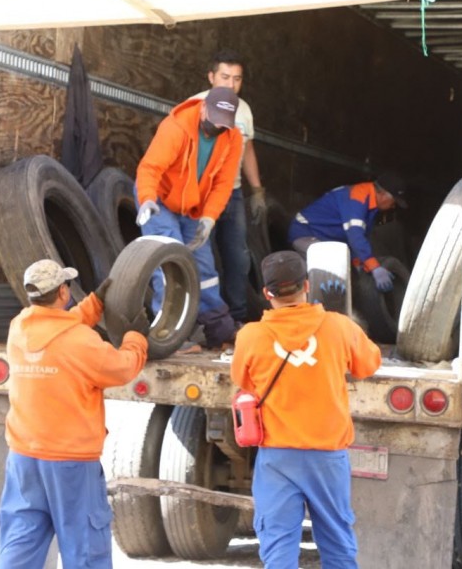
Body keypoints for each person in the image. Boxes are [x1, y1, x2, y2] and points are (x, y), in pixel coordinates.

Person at [231, 251, 382, 568]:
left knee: (278, 547)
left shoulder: (251, 336)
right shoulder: (339, 327)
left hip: (277, 459)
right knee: (338, 545)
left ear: (267, 293)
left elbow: (242, 380)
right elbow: (369, 364)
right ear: (307, 286)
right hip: (327, 457)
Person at [0, 259, 149, 569]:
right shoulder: (81, 343)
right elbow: (122, 368)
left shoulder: (19, 328)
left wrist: (93, 306)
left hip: (24, 458)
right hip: (70, 465)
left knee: (21, 544)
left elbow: (58, 329)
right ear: (63, 292)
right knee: (85, 550)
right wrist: (137, 338)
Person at [135, 85, 243, 349]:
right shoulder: (177, 127)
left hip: (193, 207)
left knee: (204, 266)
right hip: (158, 200)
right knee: (169, 258)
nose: (217, 127)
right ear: (204, 107)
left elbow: (223, 184)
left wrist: (209, 218)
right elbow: (151, 167)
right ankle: (166, 334)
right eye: (214, 120)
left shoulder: (233, 137)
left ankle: (219, 330)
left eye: (223, 124)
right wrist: (147, 199)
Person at [192, 49, 265, 324]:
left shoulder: (244, 110)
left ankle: (235, 319)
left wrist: (257, 190)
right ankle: (202, 320)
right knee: (202, 256)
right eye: (225, 77)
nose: (231, 84)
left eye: (237, 79)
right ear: (211, 76)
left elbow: (247, 151)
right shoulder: (195, 105)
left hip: (231, 194)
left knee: (238, 258)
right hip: (200, 192)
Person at [287, 173, 408, 293]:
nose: (393, 206)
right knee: (330, 271)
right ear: (382, 194)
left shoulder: (371, 208)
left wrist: (358, 263)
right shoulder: (357, 197)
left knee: (344, 272)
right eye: (393, 202)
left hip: (325, 239)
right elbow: (355, 236)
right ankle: (311, 303)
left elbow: (360, 238)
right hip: (306, 233)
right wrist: (375, 267)